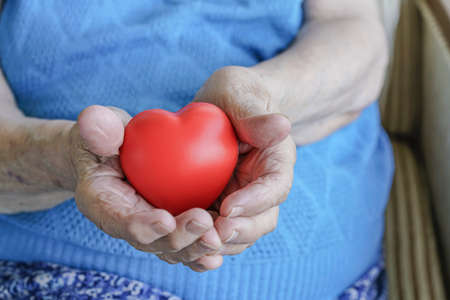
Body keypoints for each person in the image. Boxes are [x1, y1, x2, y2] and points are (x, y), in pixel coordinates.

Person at [0, 0, 394, 299]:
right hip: (46, 267)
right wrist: (63, 159)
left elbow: (352, 29)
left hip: (315, 273)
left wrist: (263, 101)